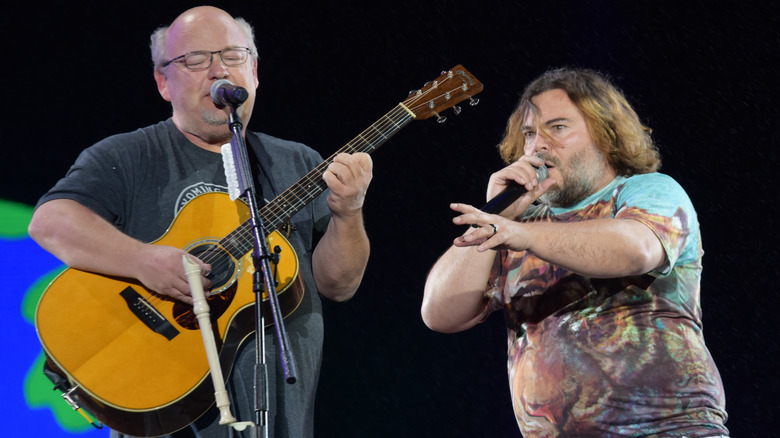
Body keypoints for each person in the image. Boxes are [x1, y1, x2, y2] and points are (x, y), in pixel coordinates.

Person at [28, 6, 372, 438]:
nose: (218, 70)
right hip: (164, 399)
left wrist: (348, 212)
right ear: (162, 83)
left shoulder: (298, 162)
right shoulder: (126, 156)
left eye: (233, 55)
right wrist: (144, 261)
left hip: (284, 416)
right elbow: (51, 222)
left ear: (255, 70)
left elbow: (338, 284)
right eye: (194, 59)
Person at [421, 68, 729, 436]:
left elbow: (637, 249)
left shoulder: (648, 191)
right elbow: (440, 312)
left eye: (558, 127)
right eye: (531, 134)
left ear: (605, 135)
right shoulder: (514, 226)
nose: (538, 146)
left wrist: (521, 233)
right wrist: (493, 216)